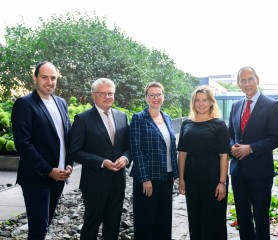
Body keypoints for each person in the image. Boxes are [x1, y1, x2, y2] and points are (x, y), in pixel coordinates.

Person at [11, 61, 72, 240]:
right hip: (36, 177)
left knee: (44, 226)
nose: (49, 82)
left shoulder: (61, 102)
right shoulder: (24, 104)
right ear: (35, 78)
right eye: (44, 77)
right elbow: (24, 144)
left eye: (53, 78)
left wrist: (69, 164)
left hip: (60, 176)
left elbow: (66, 138)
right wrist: (48, 171)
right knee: (38, 229)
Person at [69, 78, 131, 240]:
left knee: (113, 225)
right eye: (102, 93)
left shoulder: (122, 117)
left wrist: (125, 157)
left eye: (110, 93)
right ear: (93, 96)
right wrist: (101, 162)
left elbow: (128, 146)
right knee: (91, 224)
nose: (107, 96)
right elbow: (74, 151)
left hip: (118, 181)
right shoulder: (83, 119)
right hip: (94, 183)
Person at [228, 66, 278, 240]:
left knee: (260, 216)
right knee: (243, 216)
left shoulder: (272, 105)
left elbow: (276, 138)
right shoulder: (236, 106)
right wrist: (231, 147)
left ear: (257, 80)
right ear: (238, 84)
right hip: (238, 171)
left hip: (260, 171)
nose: (247, 83)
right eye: (243, 80)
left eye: (250, 79)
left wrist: (250, 148)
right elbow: (230, 135)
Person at [177, 85, 229, 240]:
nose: (201, 103)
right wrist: (181, 179)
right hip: (192, 176)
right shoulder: (186, 124)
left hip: (213, 176)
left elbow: (224, 155)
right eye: (197, 100)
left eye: (204, 100)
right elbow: (182, 153)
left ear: (211, 102)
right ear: (193, 103)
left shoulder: (219, 124)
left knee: (213, 218)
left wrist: (222, 182)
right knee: (195, 217)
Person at [130, 82, 178, 240]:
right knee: (146, 223)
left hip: (166, 176)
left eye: (158, 94)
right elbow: (136, 150)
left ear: (163, 97)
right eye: (152, 95)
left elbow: (172, 147)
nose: (155, 98)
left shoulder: (167, 118)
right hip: (148, 179)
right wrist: (145, 178)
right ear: (146, 98)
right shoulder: (138, 118)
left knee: (163, 221)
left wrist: (176, 175)